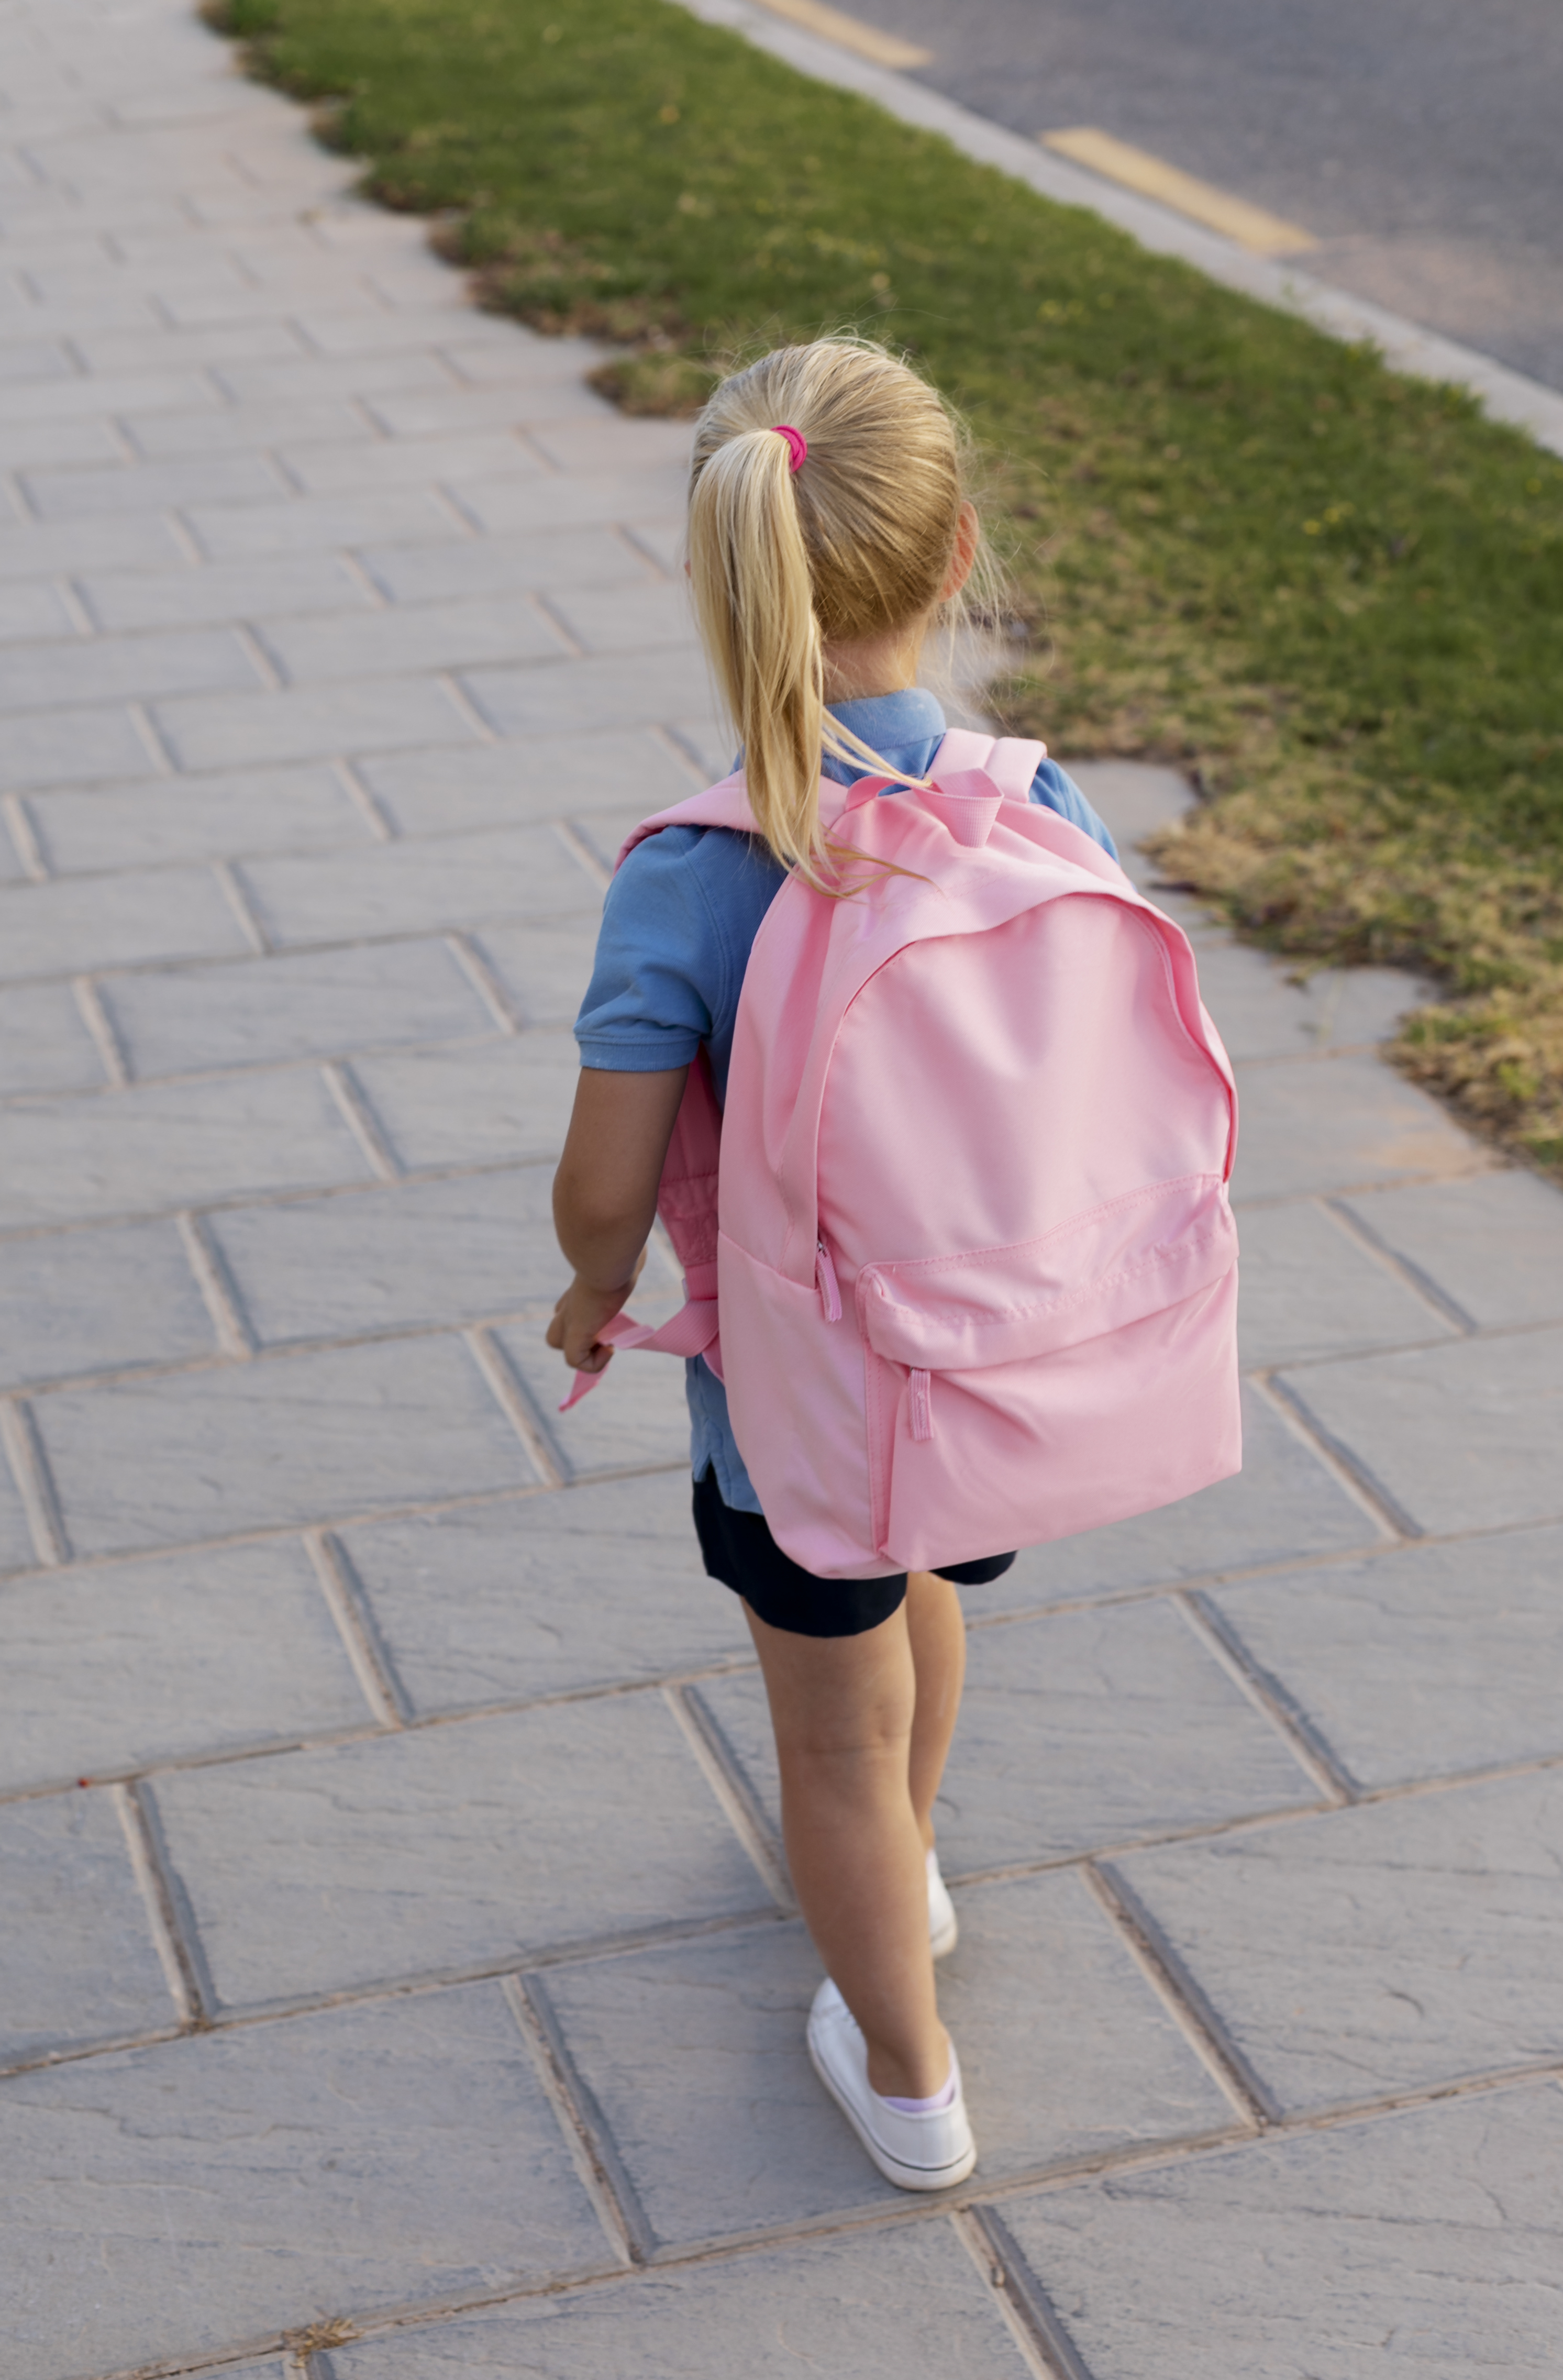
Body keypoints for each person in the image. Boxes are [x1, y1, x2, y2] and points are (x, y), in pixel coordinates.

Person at [547, 338, 1117, 2192]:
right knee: (927, 1581)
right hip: (987, 1362)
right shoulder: (1044, 803)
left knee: (824, 1740)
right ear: (959, 556)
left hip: (791, 1414)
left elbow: (604, 1184)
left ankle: (908, 2075)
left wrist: (587, 1286)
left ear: (724, 576)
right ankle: (921, 1852)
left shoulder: (696, 871)